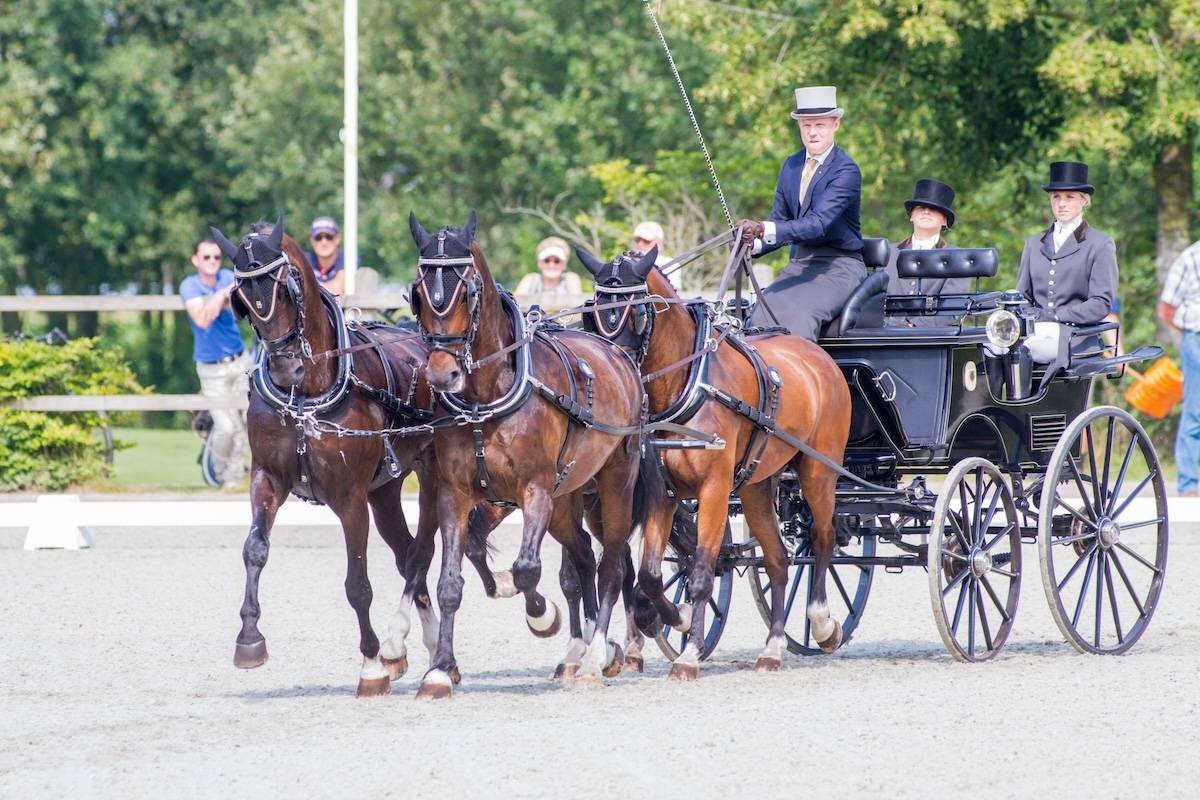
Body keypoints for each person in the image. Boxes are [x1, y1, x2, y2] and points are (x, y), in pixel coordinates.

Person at [736, 85, 865, 341]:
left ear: (835, 124)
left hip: (839, 267)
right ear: (799, 126)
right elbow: (780, 222)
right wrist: (752, 243)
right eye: (807, 126)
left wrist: (762, 227)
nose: (813, 132)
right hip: (799, 265)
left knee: (799, 317)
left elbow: (817, 224)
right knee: (760, 316)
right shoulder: (791, 165)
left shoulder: (846, 170)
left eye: (820, 125)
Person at [1013, 161, 1118, 363]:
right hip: (1035, 330)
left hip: (1076, 335)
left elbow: (1100, 303)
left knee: (1027, 350)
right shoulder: (1033, 243)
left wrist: (1058, 317)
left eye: (1069, 197)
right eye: (1056, 197)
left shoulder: (1100, 244)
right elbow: (1022, 296)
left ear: (1084, 200)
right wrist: (1033, 317)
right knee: (993, 348)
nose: (1062, 204)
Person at [180, 238, 251, 487]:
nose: (212, 261)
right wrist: (222, 295)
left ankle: (237, 477)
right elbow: (201, 319)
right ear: (195, 260)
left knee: (249, 420)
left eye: (217, 257)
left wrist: (217, 299)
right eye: (206, 257)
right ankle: (221, 472)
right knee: (227, 427)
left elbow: (240, 303)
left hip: (239, 360)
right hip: (211, 368)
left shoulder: (228, 277)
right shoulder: (189, 285)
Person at [884, 178, 971, 328]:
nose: (926, 211)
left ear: (945, 221)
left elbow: (950, 309)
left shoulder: (957, 259)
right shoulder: (888, 253)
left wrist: (913, 327)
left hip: (931, 336)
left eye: (934, 209)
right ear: (911, 216)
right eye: (920, 207)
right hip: (884, 333)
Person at [1158, 232, 1200, 496]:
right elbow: (1167, 309)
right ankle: (1188, 484)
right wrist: (1188, 334)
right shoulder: (1190, 258)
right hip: (1196, 337)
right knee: (1195, 409)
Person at [515, 236, 584, 307]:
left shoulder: (570, 279)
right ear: (539, 263)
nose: (551, 265)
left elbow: (578, 305)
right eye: (546, 260)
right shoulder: (530, 279)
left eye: (557, 261)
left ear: (564, 264)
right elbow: (515, 305)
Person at [632, 220, 681, 290]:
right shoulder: (627, 264)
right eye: (637, 240)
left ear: (658, 243)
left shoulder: (670, 264)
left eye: (646, 241)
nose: (640, 244)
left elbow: (670, 293)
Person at [305, 215, 346, 296]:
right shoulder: (304, 260)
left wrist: (310, 286)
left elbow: (337, 290)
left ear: (337, 239)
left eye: (329, 237)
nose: (324, 242)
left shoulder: (348, 258)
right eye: (318, 237)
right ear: (312, 240)